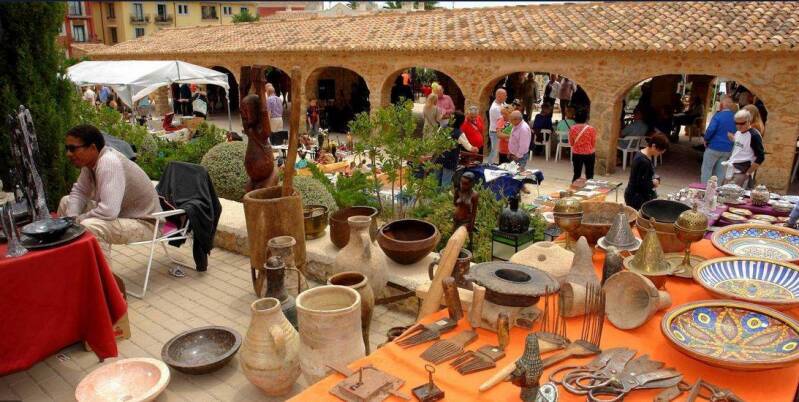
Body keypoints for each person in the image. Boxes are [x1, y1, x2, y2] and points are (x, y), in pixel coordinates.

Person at [58, 124, 161, 251]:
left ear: (92, 148)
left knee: (91, 225)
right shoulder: (89, 164)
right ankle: (69, 255)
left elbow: (108, 211)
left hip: (147, 224)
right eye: (67, 148)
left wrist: (78, 220)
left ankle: (98, 265)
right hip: (122, 215)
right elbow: (80, 192)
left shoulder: (108, 162)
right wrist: (71, 218)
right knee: (66, 202)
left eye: (73, 148)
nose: (68, 154)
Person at [624, 133, 670, 210]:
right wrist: (653, 183)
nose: (659, 154)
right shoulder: (643, 161)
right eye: (659, 151)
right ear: (653, 146)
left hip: (636, 195)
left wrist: (656, 179)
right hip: (636, 198)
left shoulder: (642, 154)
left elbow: (648, 174)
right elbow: (640, 184)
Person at [723, 109, 765, 187]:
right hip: (732, 168)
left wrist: (748, 173)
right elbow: (741, 146)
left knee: (734, 193)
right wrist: (733, 139)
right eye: (736, 123)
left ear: (749, 121)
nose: (739, 126)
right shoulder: (738, 132)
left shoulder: (754, 135)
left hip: (742, 171)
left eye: (742, 123)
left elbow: (761, 157)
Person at [701, 96, 737, 183]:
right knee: (721, 172)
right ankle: (716, 189)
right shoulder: (735, 118)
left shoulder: (718, 116)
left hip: (714, 146)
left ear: (721, 105)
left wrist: (706, 139)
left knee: (707, 169)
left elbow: (711, 129)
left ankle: (704, 188)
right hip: (728, 148)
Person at [436, 111, 466, 187]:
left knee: (436, 180)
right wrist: (474, 149)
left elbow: (435, 139)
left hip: (439, 158)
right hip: (451, 160)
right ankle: (441, 195)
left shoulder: (442, 128)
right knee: (445, 183)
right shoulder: (459, 133)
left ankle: (434, 194)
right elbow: (468, 146)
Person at [568, 108, 596, 183]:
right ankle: (589, 188)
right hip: (589, 154)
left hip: (577, 154)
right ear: (586, 118)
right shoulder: (591, 129)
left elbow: (571, 143)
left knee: (577, 174)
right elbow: (593, 143)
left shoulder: (572, 129)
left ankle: (574, 187)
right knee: (590, 175)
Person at [488, 88, 507, 164]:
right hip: (495, 132)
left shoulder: (502, 103)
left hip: (499, 131)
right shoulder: (495, 108)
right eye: (504, 95)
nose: (506, 97)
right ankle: (489, 165)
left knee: (498, 150)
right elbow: (504, 119)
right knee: (494, 151)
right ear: (499, 96)